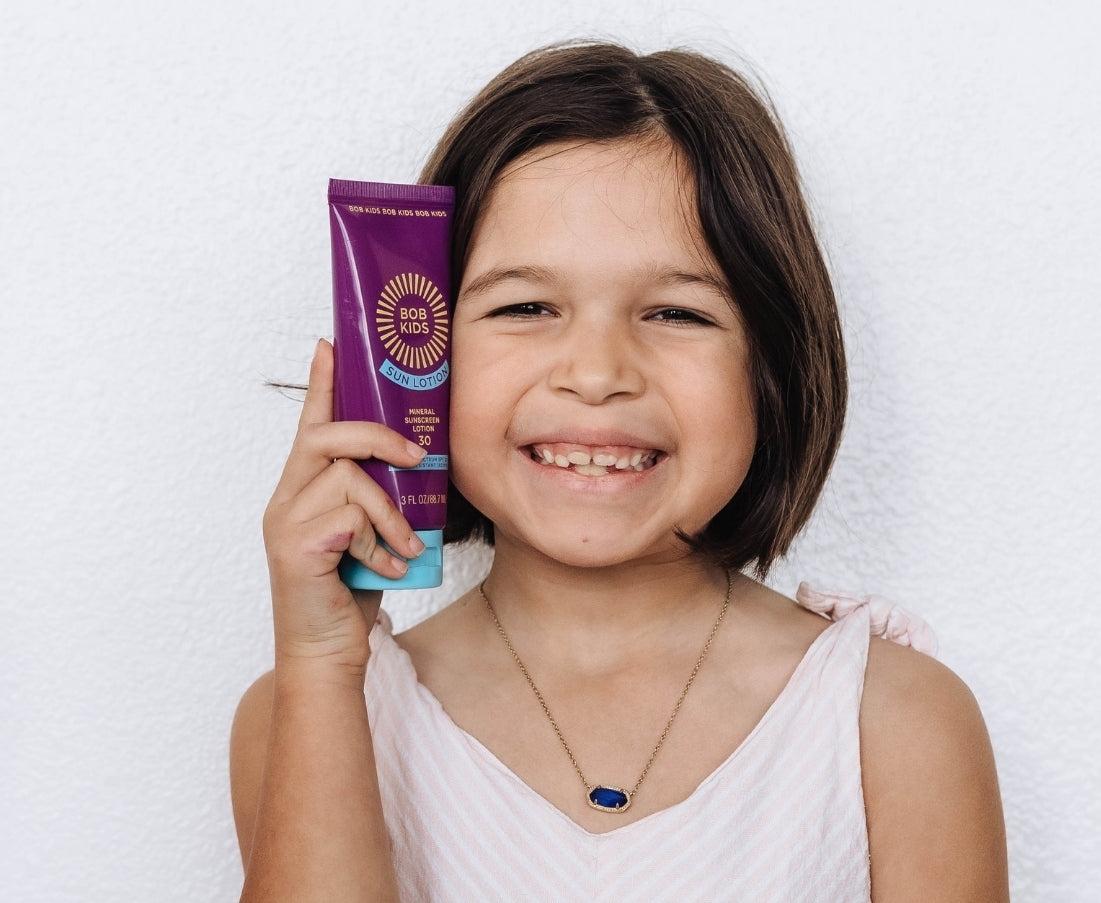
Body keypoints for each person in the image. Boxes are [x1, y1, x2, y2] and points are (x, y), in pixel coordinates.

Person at [230, 42, 1009, 902]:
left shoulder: (892, 721)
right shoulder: (312, 709)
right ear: (420, 352)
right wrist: (319, 664)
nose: (596, 373)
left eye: (675, 312)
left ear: (771, 365)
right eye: (526, 306)